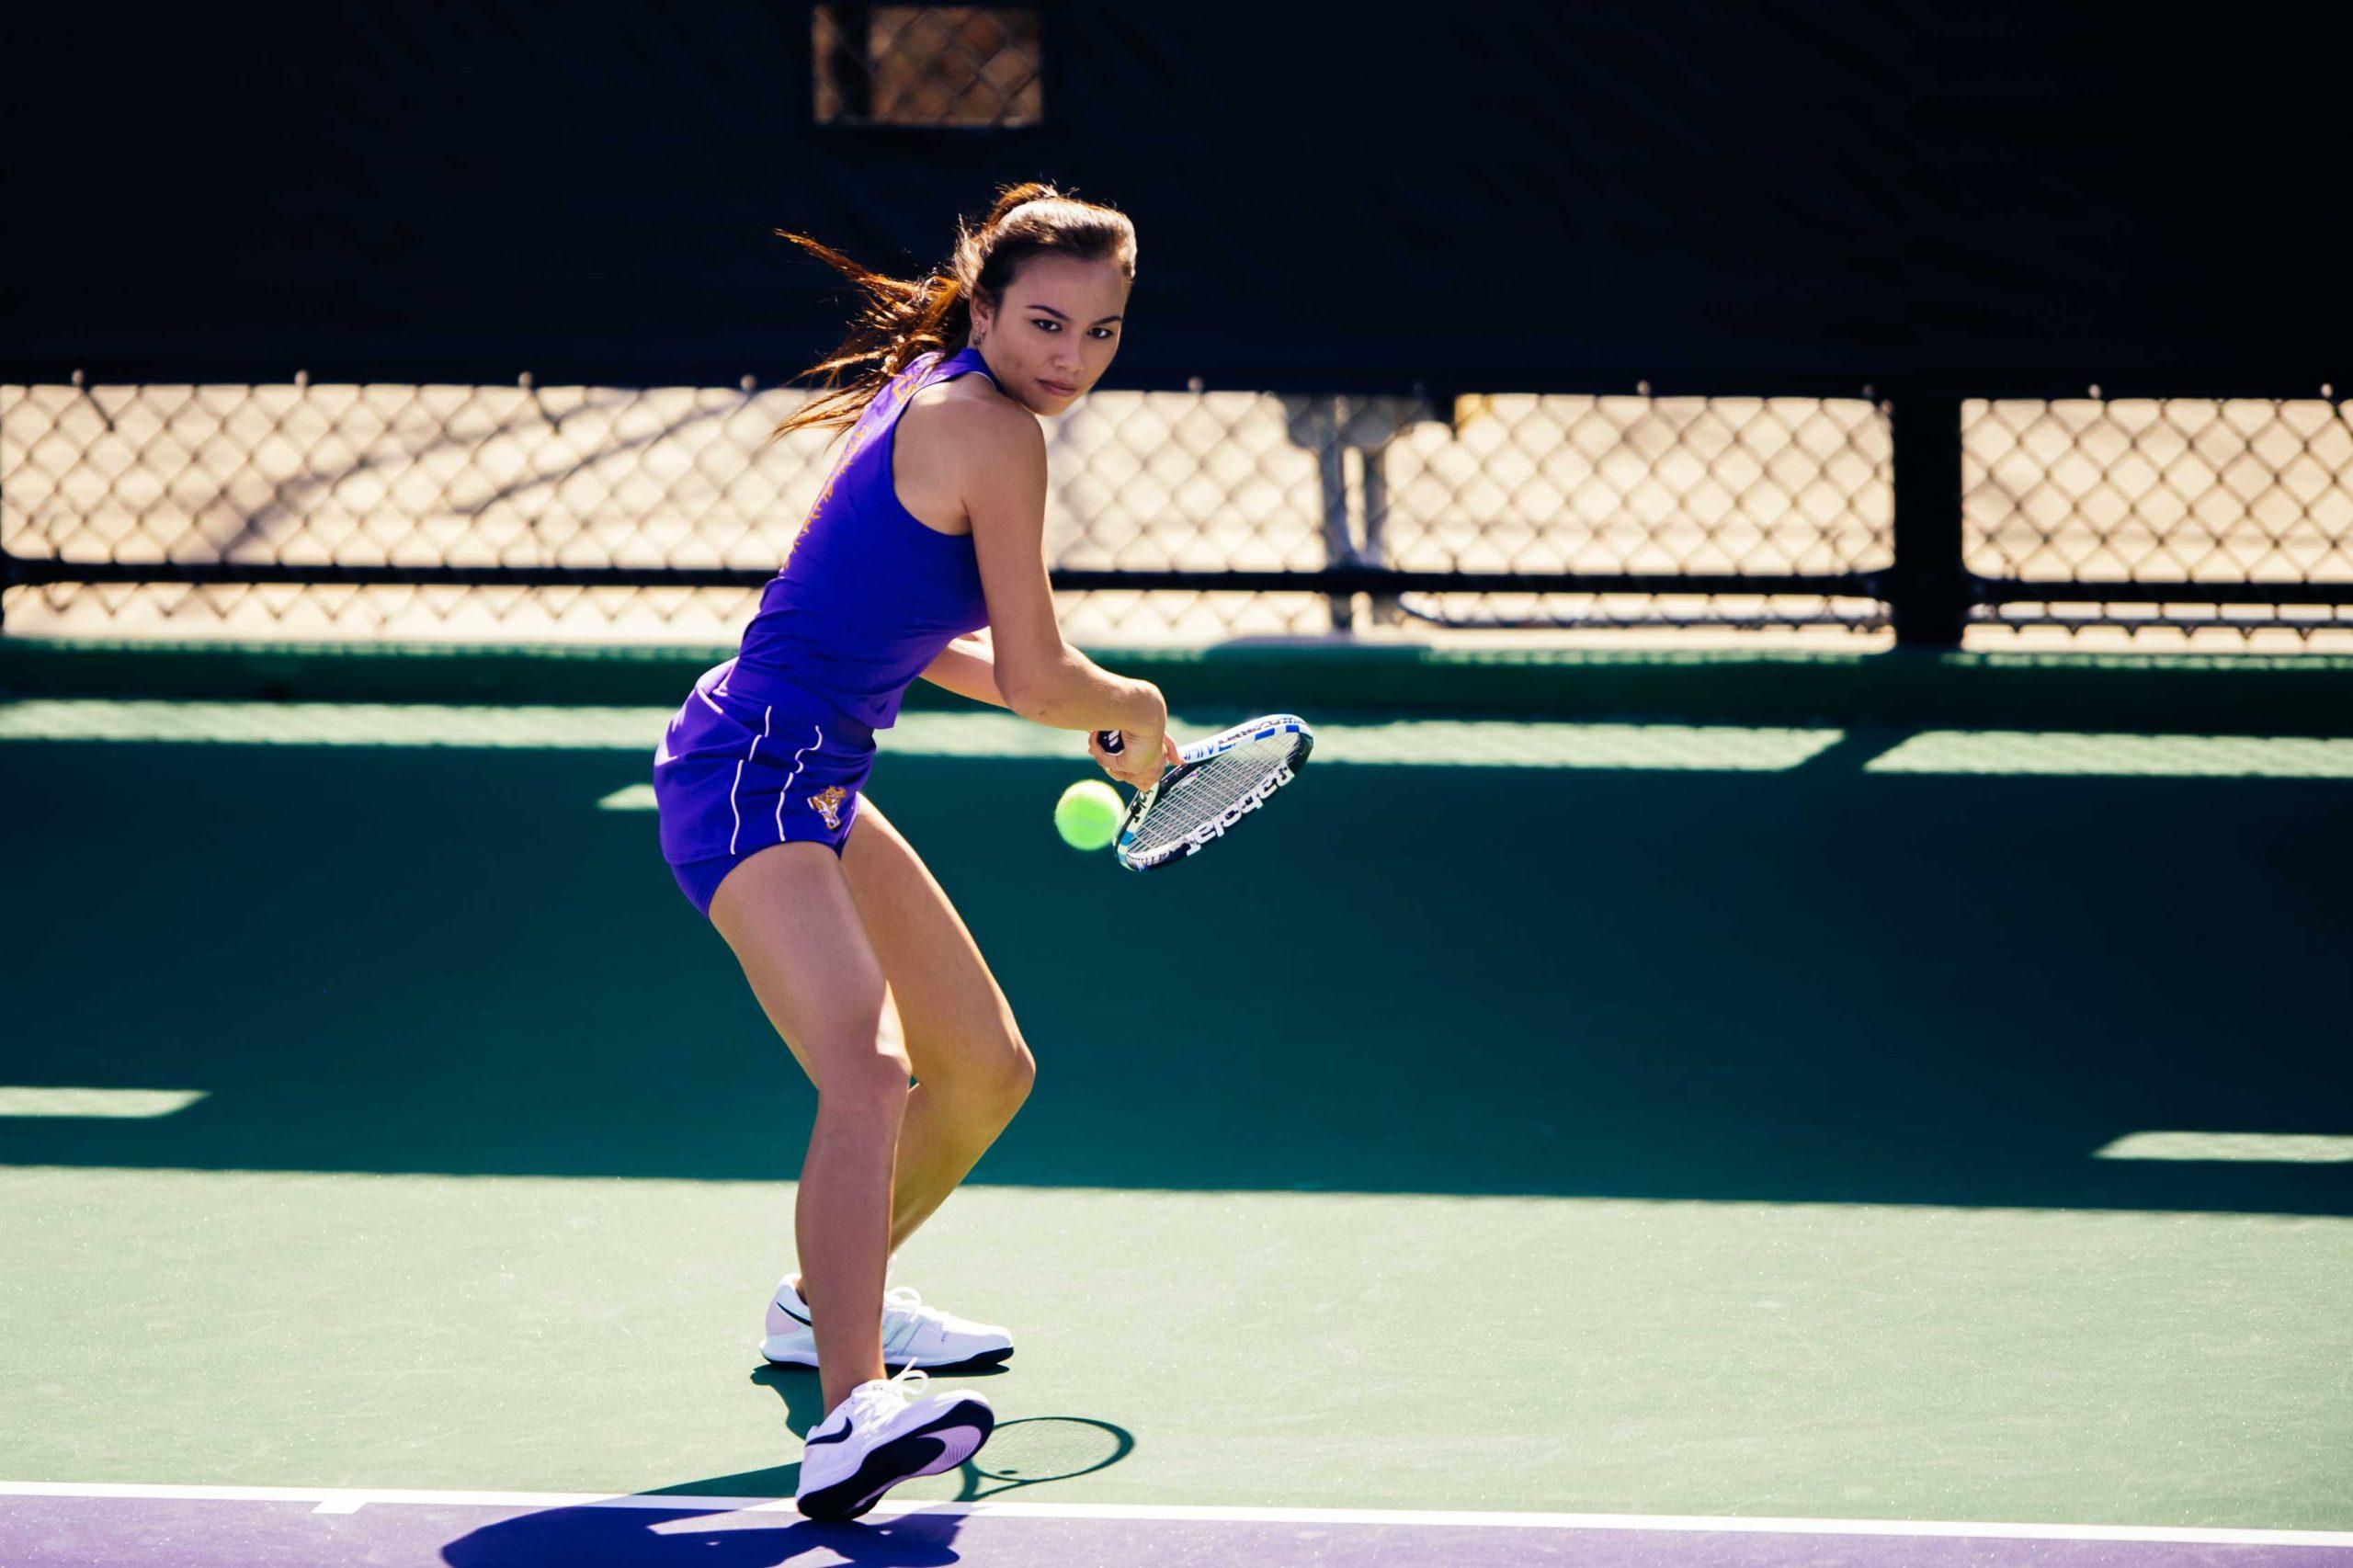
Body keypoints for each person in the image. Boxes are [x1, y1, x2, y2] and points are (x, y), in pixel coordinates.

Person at [650, 180, 1179, 1523]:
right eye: (1048, 322)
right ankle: (848, 1412)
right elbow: (1046, 668)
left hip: (814, 770)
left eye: (1103, 333)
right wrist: (1129, 710)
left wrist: (1076, 702)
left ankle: (827, 1292)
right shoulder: (989, 430)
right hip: (747, 770)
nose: (1072, 358)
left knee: (988, 1069)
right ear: (989, 305)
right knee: (868, 1066)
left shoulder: (943, 390)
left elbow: (930, 645)